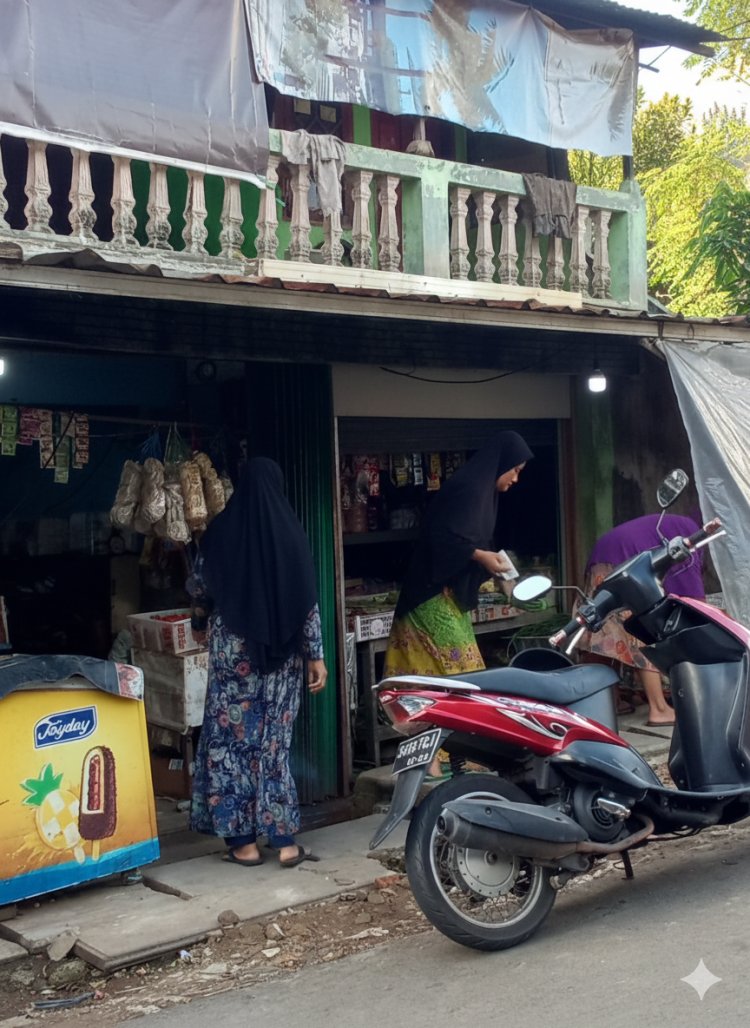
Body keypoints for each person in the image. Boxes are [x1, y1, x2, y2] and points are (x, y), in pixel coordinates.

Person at [188, 457, 327, 869]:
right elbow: (306, 601)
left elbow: (201, 586)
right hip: (282, 658)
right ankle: (285, 843)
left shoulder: (219, 534)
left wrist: (199, 621)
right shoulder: (291, 535)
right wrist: (315, 655)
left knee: (230, 747)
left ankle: (244, 844)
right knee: (273, 747)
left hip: (234, 655)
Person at [383, 432, 533, 773]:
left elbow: (473, 542)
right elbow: (443, 537)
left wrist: (502, 578)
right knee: (453, 677)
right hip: (431, 599)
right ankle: (441, 758)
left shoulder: (481, 497)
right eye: (515, 470)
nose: (515, 478)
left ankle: (443, 758)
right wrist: (480, 556)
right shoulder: (466, 491)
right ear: (501, 464)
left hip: (448, 602)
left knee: (436, 678)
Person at [578, 512, 705, 728]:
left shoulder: (676, 524)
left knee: (600, 628)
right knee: (643, 629)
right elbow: (694, 599)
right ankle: (659, 709)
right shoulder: (690, 540)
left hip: (603, 557)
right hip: (625, 564)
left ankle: (606, 700)